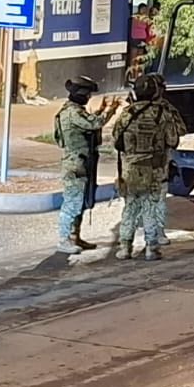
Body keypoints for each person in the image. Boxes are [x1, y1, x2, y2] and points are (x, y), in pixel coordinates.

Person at [111, 74, 187, 261]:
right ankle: (151, 248)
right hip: (154, 169)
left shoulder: (127, 113)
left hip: (131, 170)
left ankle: (125, 247)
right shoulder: (162, 113)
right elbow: (173, 140)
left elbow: (116, 139)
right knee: (150, 207)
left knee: (130, 208)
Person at [53, 76, 119, 255]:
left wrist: (102, 109)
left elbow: (89, 122)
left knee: (81, 202)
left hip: (82, 163)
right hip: (75, 164)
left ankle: (75, 237)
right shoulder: (72, 113)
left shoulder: (74, 111)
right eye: (88, 94)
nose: (89, 97)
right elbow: (94, 123)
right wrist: (110, 111)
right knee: (72, 203)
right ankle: (64, 239)